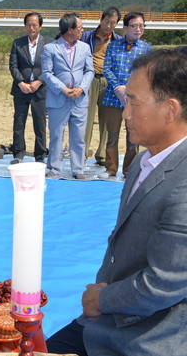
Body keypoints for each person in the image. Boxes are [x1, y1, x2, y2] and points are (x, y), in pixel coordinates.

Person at [47, 48, 187, 356]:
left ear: (170, 110)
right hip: (102, 322)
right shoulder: (142, 162)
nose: (125, 114)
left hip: (146, 339)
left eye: (133, 102)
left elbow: (163, 283)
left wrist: (103, 299)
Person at [41, 12, 94, 179]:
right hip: (58, 98)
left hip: (79, 99)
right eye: (80, 27)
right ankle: (54, 168)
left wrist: (81, 88)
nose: (82, 30)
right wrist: (63, 89)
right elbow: (47, 73)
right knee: (56, 135)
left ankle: (78, 169)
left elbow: (90, 70)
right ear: (70, 30)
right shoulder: (50, 48)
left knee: (78, 136)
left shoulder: (85, 47)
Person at [101, 11, 152, 178]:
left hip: (135, 100)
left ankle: (129, 170)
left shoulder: (147, 49)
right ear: (125, 27)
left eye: (141, 26)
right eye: (134, 26)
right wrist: (118, 87)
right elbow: (106, 69)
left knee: (133, 138)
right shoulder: (113, 46)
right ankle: (111, 169)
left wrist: (129, 89)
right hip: (113, 97)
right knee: (112, 136)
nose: (138, 29)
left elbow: (147, 74)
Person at [80, 7, 122, 166]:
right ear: (101, 19)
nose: (109, 25)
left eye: (113, 23)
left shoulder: (118, 40)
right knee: (86, 119)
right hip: (90, 80)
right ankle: (82, 154)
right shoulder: (87, 36)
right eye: (107, 21)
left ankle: (102, 155)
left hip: (109, 82)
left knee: (106, 121)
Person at [8, 12, 52, 164]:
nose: (31, 28)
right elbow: (13, 66)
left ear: (40, 26)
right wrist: (21, 83)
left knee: (40, 124)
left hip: (40, 90)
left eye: (34, 25)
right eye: (28, 24)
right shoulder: (17, 43)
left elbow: (50, 67)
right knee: (19, 122)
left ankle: (40, 155)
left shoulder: (49, 43)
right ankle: (18, 153)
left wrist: (39, 82)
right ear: (25, 26)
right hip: (21, 90)